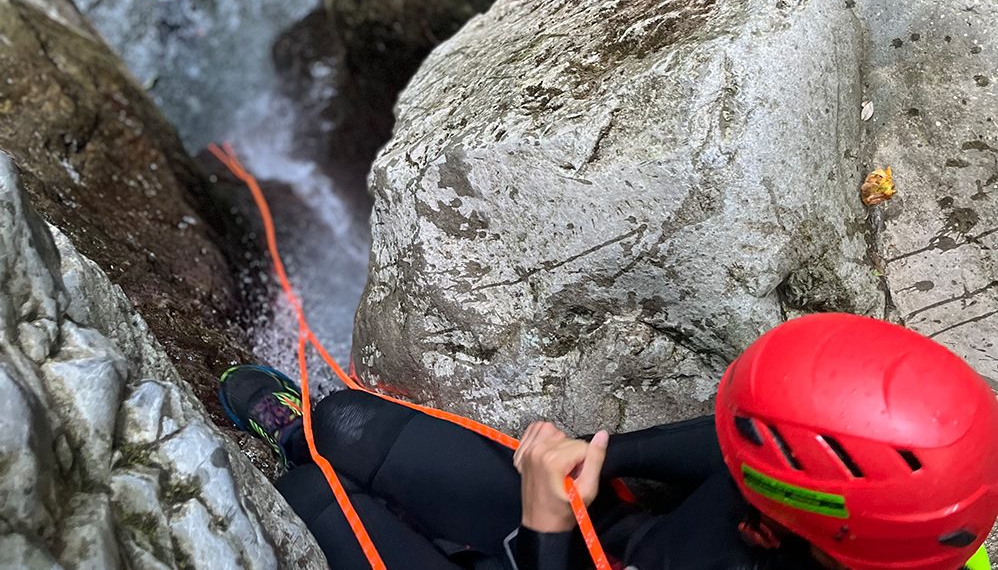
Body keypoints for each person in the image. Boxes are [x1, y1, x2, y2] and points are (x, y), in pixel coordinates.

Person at [219, 314, 998, 570]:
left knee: (310, 500)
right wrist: (606, 459)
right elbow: (724, 447)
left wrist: (547, 531)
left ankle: (298, 459)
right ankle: (306, 433)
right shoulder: (899, 513)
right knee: (353, 428)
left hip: (562, 549)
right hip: (602, 536)